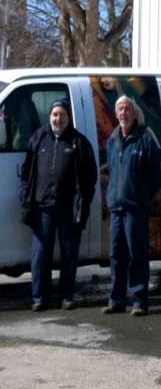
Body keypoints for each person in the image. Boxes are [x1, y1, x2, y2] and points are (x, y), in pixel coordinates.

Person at [19, 99, 96, 311]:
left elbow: (90, 176)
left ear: (68, 118)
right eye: (54, 114)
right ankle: (39, 298)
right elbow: (26, 173)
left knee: (69, 255)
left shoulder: (79, 142)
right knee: (40, 255)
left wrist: (84, 201)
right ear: (49, 117)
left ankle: (66, 296)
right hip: (42, 207)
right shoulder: (38, 138)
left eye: (61, 114)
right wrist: (26, 196)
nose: (57, 118)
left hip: (69, 209)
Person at [103, 95, 161, 316]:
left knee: (137, 255)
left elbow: (155, 179)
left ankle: (139, 300)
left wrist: (141, 199)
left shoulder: (145, 139)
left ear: (134, 112)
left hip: (136, 209)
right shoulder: (112, 140)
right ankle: (116, 299)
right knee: (116, 256)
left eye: (127, 109)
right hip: (117, 209)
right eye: (120, 109)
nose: (123, 113)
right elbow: (112, 169)